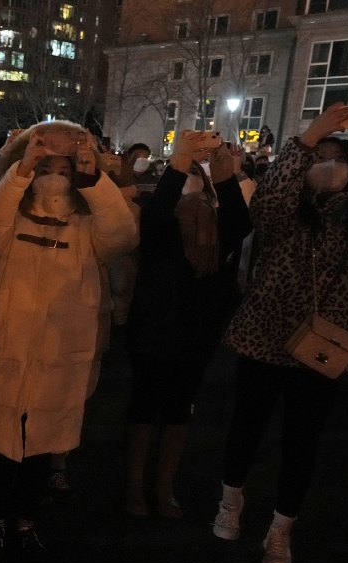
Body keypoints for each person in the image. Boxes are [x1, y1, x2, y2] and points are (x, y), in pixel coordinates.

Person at [212, 102, 348, 563]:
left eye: (336, 156)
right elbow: (266, 201)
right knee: (246, 427)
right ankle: (230, 500)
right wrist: (308, 137)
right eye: (317, 155)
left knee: (302, 442)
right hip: (265, 335)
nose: (325, 162)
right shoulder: (284, 211)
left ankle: (281, 529)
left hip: (322, 348)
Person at [0, 123, 138, 549]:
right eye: (43, 164)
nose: (54, 174)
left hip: (62, 344)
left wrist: (96, 179)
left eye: (63, 167)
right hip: (8, 341)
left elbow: (120, 239)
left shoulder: (89, 222)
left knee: (43, 443)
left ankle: (27, 520)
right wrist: (21, 173)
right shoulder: (10, 210)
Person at [123, 134, 252, 519]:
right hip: (153, 326)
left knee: (179, 408)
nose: (193, 192)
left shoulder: (218, 227)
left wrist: (226, 174)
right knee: (145, 404)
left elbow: (240, 222)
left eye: (200, 181)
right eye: (186, 181)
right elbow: (161, 210)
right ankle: (134, 489)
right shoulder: (158, 219)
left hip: (196, 331)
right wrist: (179, 163)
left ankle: (163, 489)